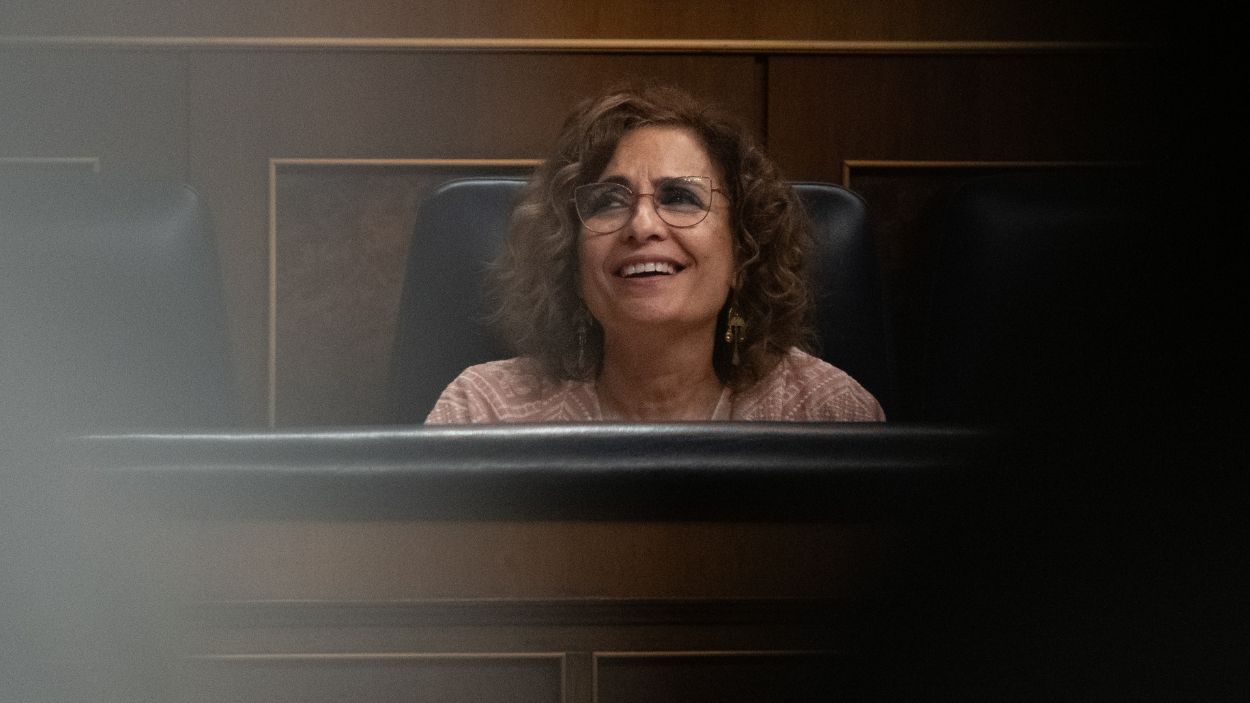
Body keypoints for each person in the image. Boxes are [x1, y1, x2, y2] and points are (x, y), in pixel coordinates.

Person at [426, 85, 883, 423]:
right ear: (570, 256)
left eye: (680, 197)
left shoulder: (828, 412)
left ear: (745, 251)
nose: (642, 225)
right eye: (608, 201)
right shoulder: (483, 413)